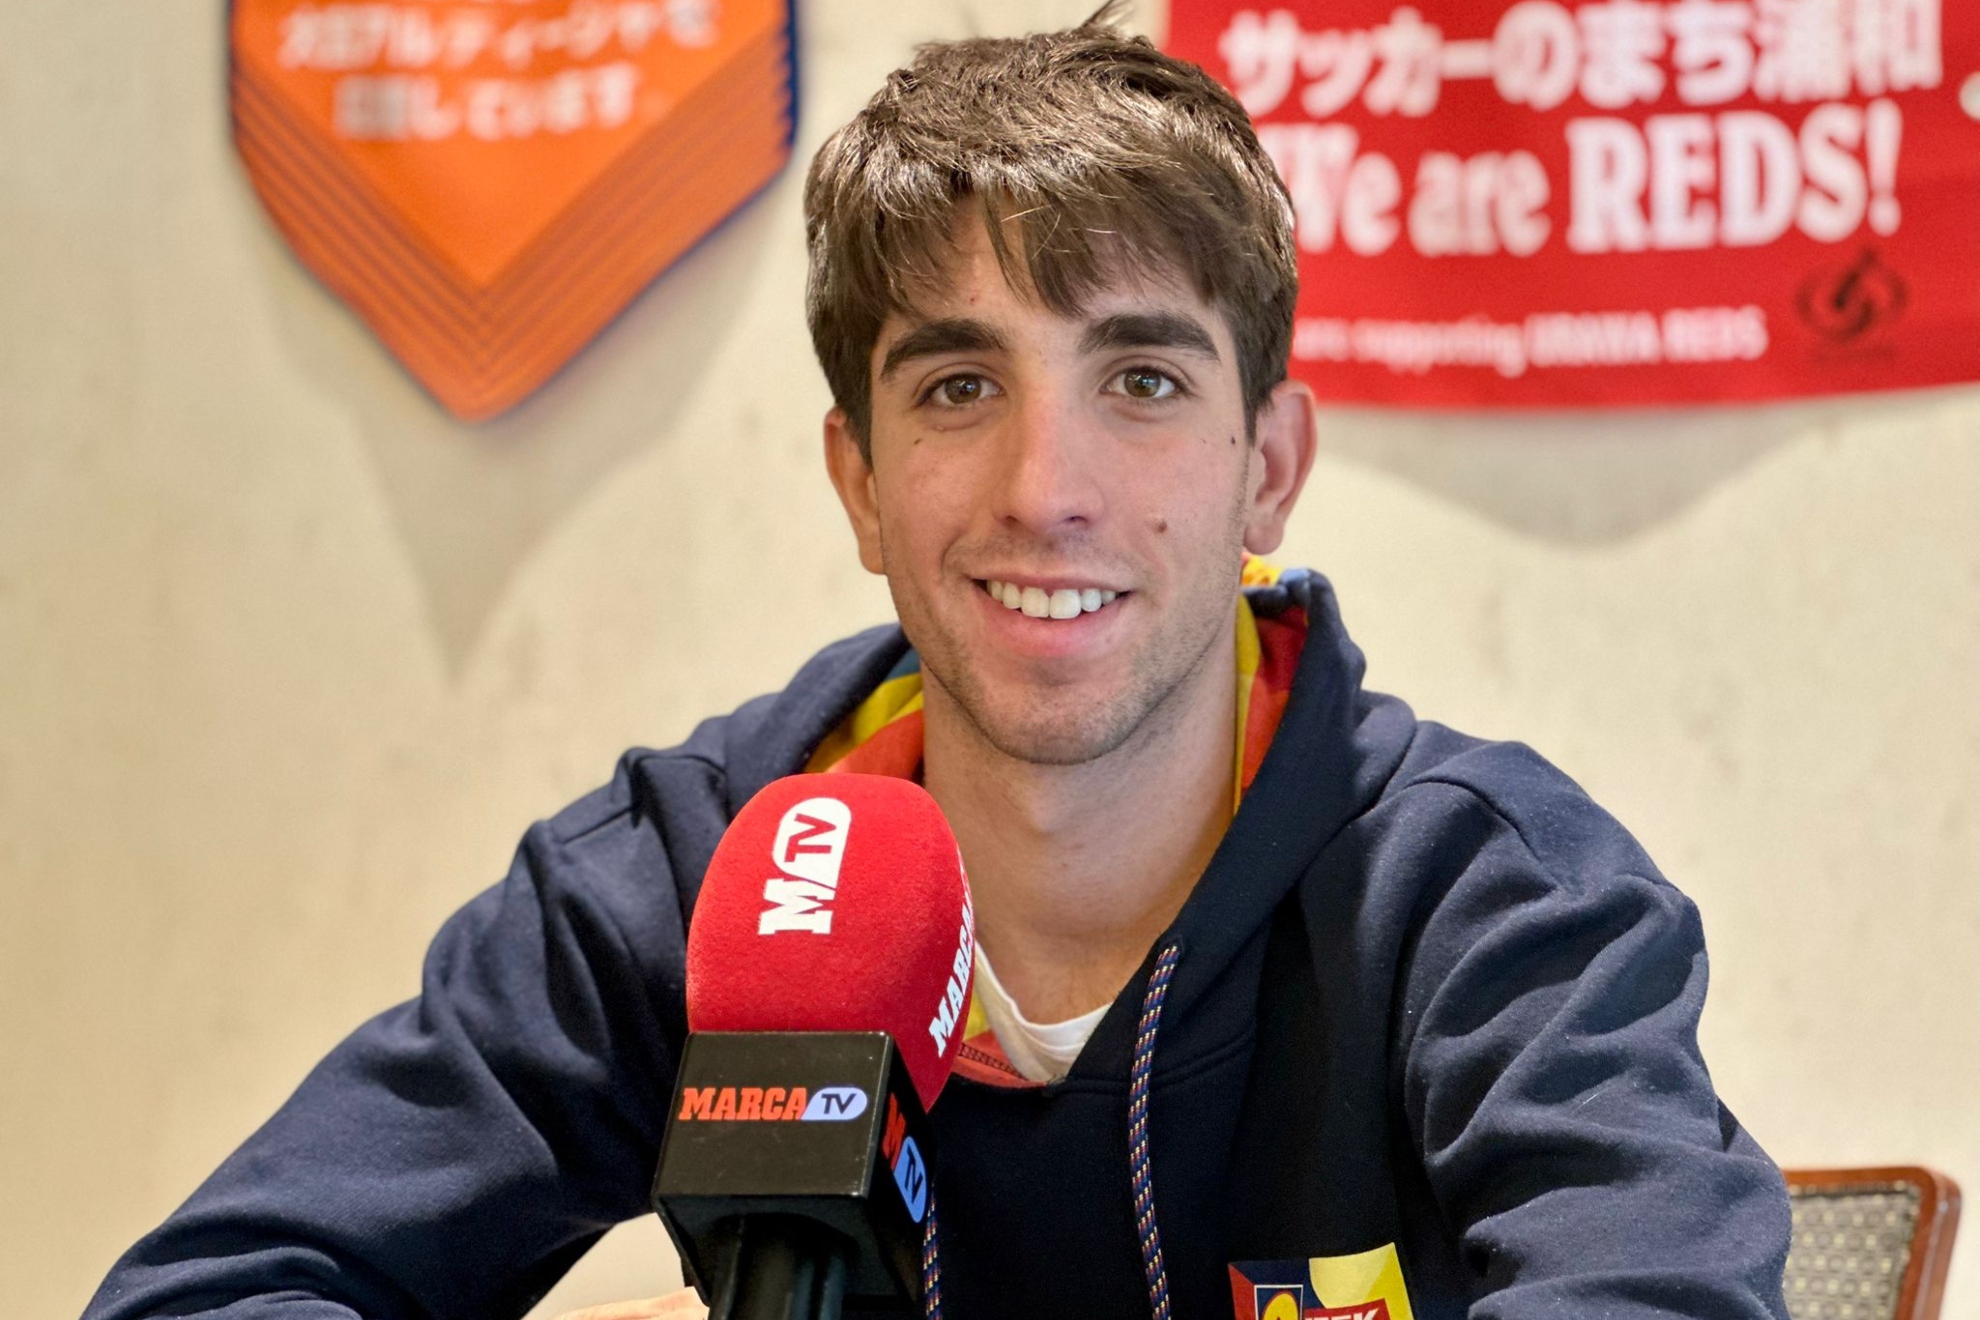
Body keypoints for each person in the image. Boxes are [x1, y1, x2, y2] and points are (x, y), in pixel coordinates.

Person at [83, 11, 1793, 1320]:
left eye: (1142, 381)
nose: (1046, 489)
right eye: (960, 388)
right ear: (859, 482)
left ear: (1269, 469)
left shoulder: (1496, 900)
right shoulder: (696, 876)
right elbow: (219, 1289)